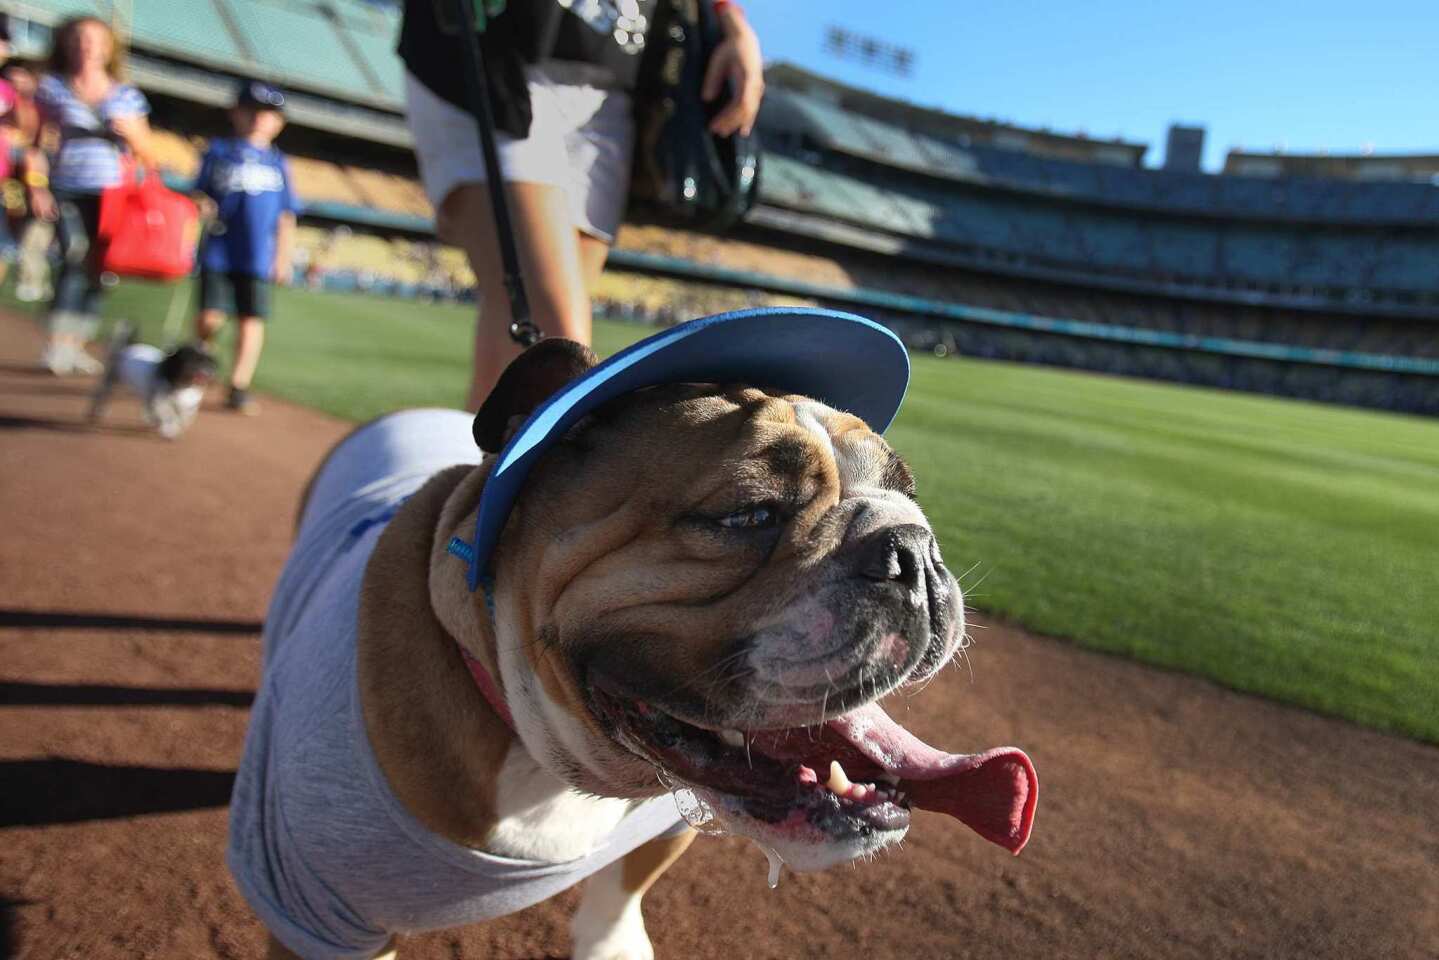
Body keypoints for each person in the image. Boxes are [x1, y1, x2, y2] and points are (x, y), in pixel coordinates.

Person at [399, 0, 764, 410]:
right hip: (492, 50)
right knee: (560, 349)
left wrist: (730, 21)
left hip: (614, 75)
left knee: (510, 352)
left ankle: (475, 471)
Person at [26, 16, 155, 375]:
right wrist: (37, 186)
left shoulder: (128, 96)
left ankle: (79, 343)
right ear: (67, 43)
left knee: (102, 269)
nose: (86, 45)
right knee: (73, 256)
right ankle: (57, 343)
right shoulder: (52, 88)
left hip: (113, 192)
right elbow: (36, 146)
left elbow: (147, 152)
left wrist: (131, 134)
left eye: (95, 39)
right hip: (68, 185)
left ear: (109, 47)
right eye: (80, 38)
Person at [191, 79, 298, 415]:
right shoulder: (218, 152)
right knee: (210, 318)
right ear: (236, 113)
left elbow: (286, 215)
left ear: (278, 122)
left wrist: (283, 258)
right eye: (251, 111)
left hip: (257, 256)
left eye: (267, 113)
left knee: (251, 321)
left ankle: (238, 385)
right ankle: (201, 361)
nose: (258, 119)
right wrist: (202, 205)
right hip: (219, 250)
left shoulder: (279, 164)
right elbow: (198, 192)